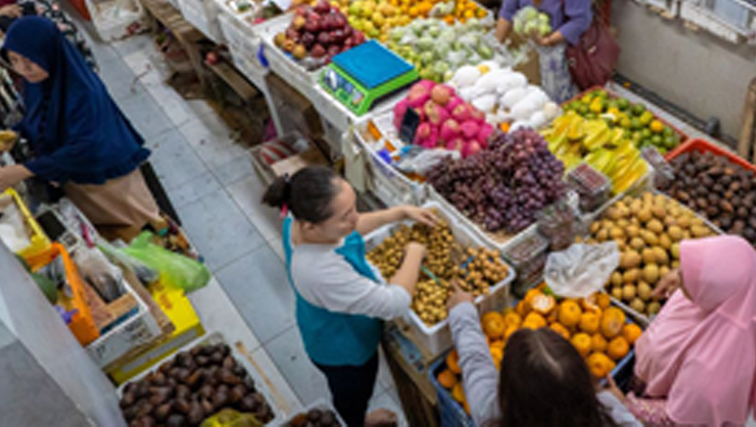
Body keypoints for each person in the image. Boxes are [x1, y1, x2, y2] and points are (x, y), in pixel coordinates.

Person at [264, 166, 436, 427]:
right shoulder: (319, 271)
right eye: (346, 216)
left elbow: (352, 229)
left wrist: (398, 213)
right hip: (342, 349)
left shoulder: (298, 220)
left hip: (326, 321)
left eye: (354, 207)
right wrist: (414, 253)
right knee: (353, 394)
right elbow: (395, 304)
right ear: (312, 226)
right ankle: (357, 420)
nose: (355, 218)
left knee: (353, 391)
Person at [0, 17, 163, 240]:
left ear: (49, 54)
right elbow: (39, 115)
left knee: (145, 231)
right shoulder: (38, 80)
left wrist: (25, 170)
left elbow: (88, 146)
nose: (23, 69)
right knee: (118, 236)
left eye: (29, 60)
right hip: (78, 177)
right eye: (14, 60)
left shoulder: (84, 92)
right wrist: (15, 134)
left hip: (110, 181)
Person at [617, 236, 756, 426]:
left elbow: (676, 420)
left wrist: (622, 404)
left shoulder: (712, 371)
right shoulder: (731, 299)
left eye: (691, 276)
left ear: (714, 288)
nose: (681, 274)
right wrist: (684, 275)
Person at [448, 287, 642, 427]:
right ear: (584, 378)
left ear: (505, 389)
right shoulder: (605, 409)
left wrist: (462, 310)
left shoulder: (490, 412)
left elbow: (475, 361)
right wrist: (619, 406)